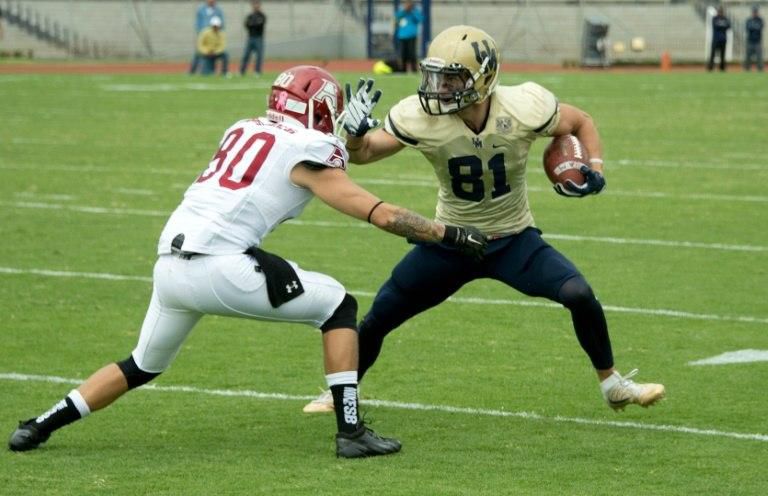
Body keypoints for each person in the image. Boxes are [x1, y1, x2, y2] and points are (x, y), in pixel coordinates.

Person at [6, 65, 487, 458]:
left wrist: (348, 137)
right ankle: (352, 433)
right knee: (338, 305)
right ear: (322, 110)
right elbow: (377, 212)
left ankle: (40, 426)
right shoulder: (309, 148)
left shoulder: (243, 127)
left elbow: (282, 160)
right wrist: (449, 233)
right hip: (219, 267)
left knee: (142, 364)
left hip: (170, 265)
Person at [303, 25, 665, 415]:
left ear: (484, 77)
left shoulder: (524, 106)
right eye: (435, 76)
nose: (438, 88)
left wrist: (594, 168)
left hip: (513, 238)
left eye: (451, 78)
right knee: (382, 314)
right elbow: (365, 153)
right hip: (452, 240)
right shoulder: (419, 115)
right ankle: (342, 392)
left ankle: (612, 384)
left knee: (578, 294)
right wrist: (355, 137)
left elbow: (582, 122)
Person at [189, 0, 224, 75]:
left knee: (213, 54)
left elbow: (222, 23)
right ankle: (192, 71)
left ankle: (211, 70)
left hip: (213, 36)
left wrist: (218, 33)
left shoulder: (218, 10)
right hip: (203, 35)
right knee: (198, 53)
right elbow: (198, 22)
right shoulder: (201, 9)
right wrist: (199, 32)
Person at [394, 0, 422, 73]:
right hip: (402, 36)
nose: (407, 5)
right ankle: (403, 70)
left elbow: (420, 19)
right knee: (403, 54)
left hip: (412, 36)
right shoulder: (401, 12)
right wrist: (404, 11)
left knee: (412, 54)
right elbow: (396, 19)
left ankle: (414, 69)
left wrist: (411, 12)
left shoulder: (415, 11)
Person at [240, 0, 267, 76]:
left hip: (259, 38)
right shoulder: (250, 16)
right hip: (250, 37)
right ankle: (242, 71)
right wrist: (253, 24)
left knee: (259, 56)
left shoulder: (262, 16)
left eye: (257, 4)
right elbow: (247, 25)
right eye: (254, 4)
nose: (256, 6)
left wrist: (252, 24)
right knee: (246, 55)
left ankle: (257, 71)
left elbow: (259, 25)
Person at [708, 6, 731, 72]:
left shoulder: (725, 18)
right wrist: (723, 25)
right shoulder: (714, 18)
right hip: (715, 39)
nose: (720, 13)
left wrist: (722, 25)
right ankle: (711, 67)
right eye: (719, 11)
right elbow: (717, 26)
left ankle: (722, 68)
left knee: (722, 55)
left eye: (721, 11)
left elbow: (728, 26)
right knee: (713, 54)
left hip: (723, 40)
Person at [744, 6, 764, 72]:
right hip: (750, 41)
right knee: (748, 56)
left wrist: (753, 27)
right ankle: (747, 69)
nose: (755, 13)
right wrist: (755, 27)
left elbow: (759, 28)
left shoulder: (760, 20)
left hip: (758, 41)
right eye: (754, 12)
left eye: (756, 12)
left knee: (759, 56)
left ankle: (760, 69)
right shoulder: (749, 20)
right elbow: (748, 28)